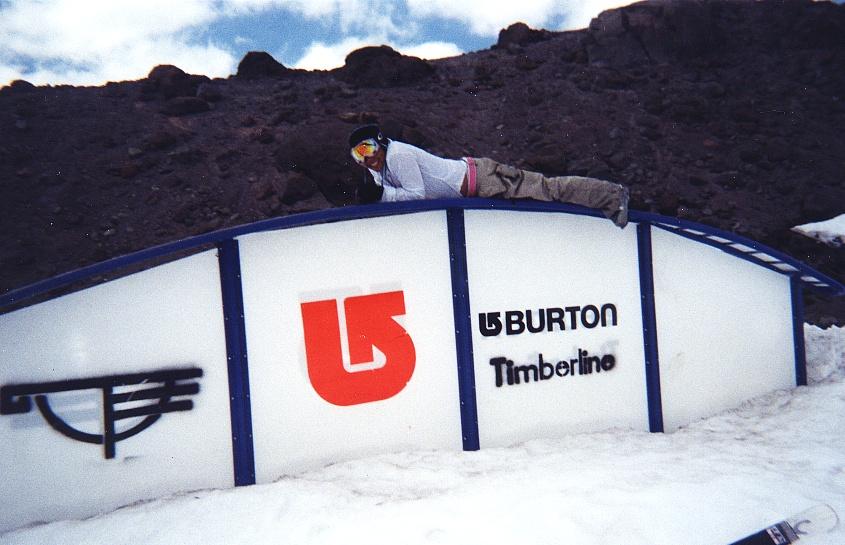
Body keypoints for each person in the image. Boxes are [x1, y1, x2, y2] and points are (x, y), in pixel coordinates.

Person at [348, 124, 630, 228]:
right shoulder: (379, 172)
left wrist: (384, 196)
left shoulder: (398, 155)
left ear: (381, 142)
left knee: (547, 189)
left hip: (483, 178)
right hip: (472, 189)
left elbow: (416, 195)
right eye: (358, 156)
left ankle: (612, 196)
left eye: (368, 148)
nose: (367, 158)